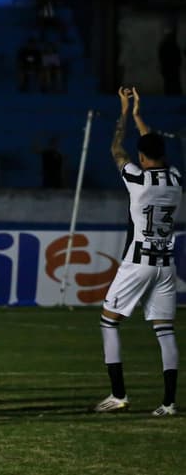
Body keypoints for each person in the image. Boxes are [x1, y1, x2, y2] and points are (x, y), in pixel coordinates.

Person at [94, 87, 181, 416]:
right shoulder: (174, 179)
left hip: (138, 262)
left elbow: (117, 149)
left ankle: (118, 395)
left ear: (142, 158)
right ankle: (169, 403)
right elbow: (153, 148)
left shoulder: (137, 179)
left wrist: (124, 114)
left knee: (109, 323)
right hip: (166, 264)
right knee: (165, 331)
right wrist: (139, 117)